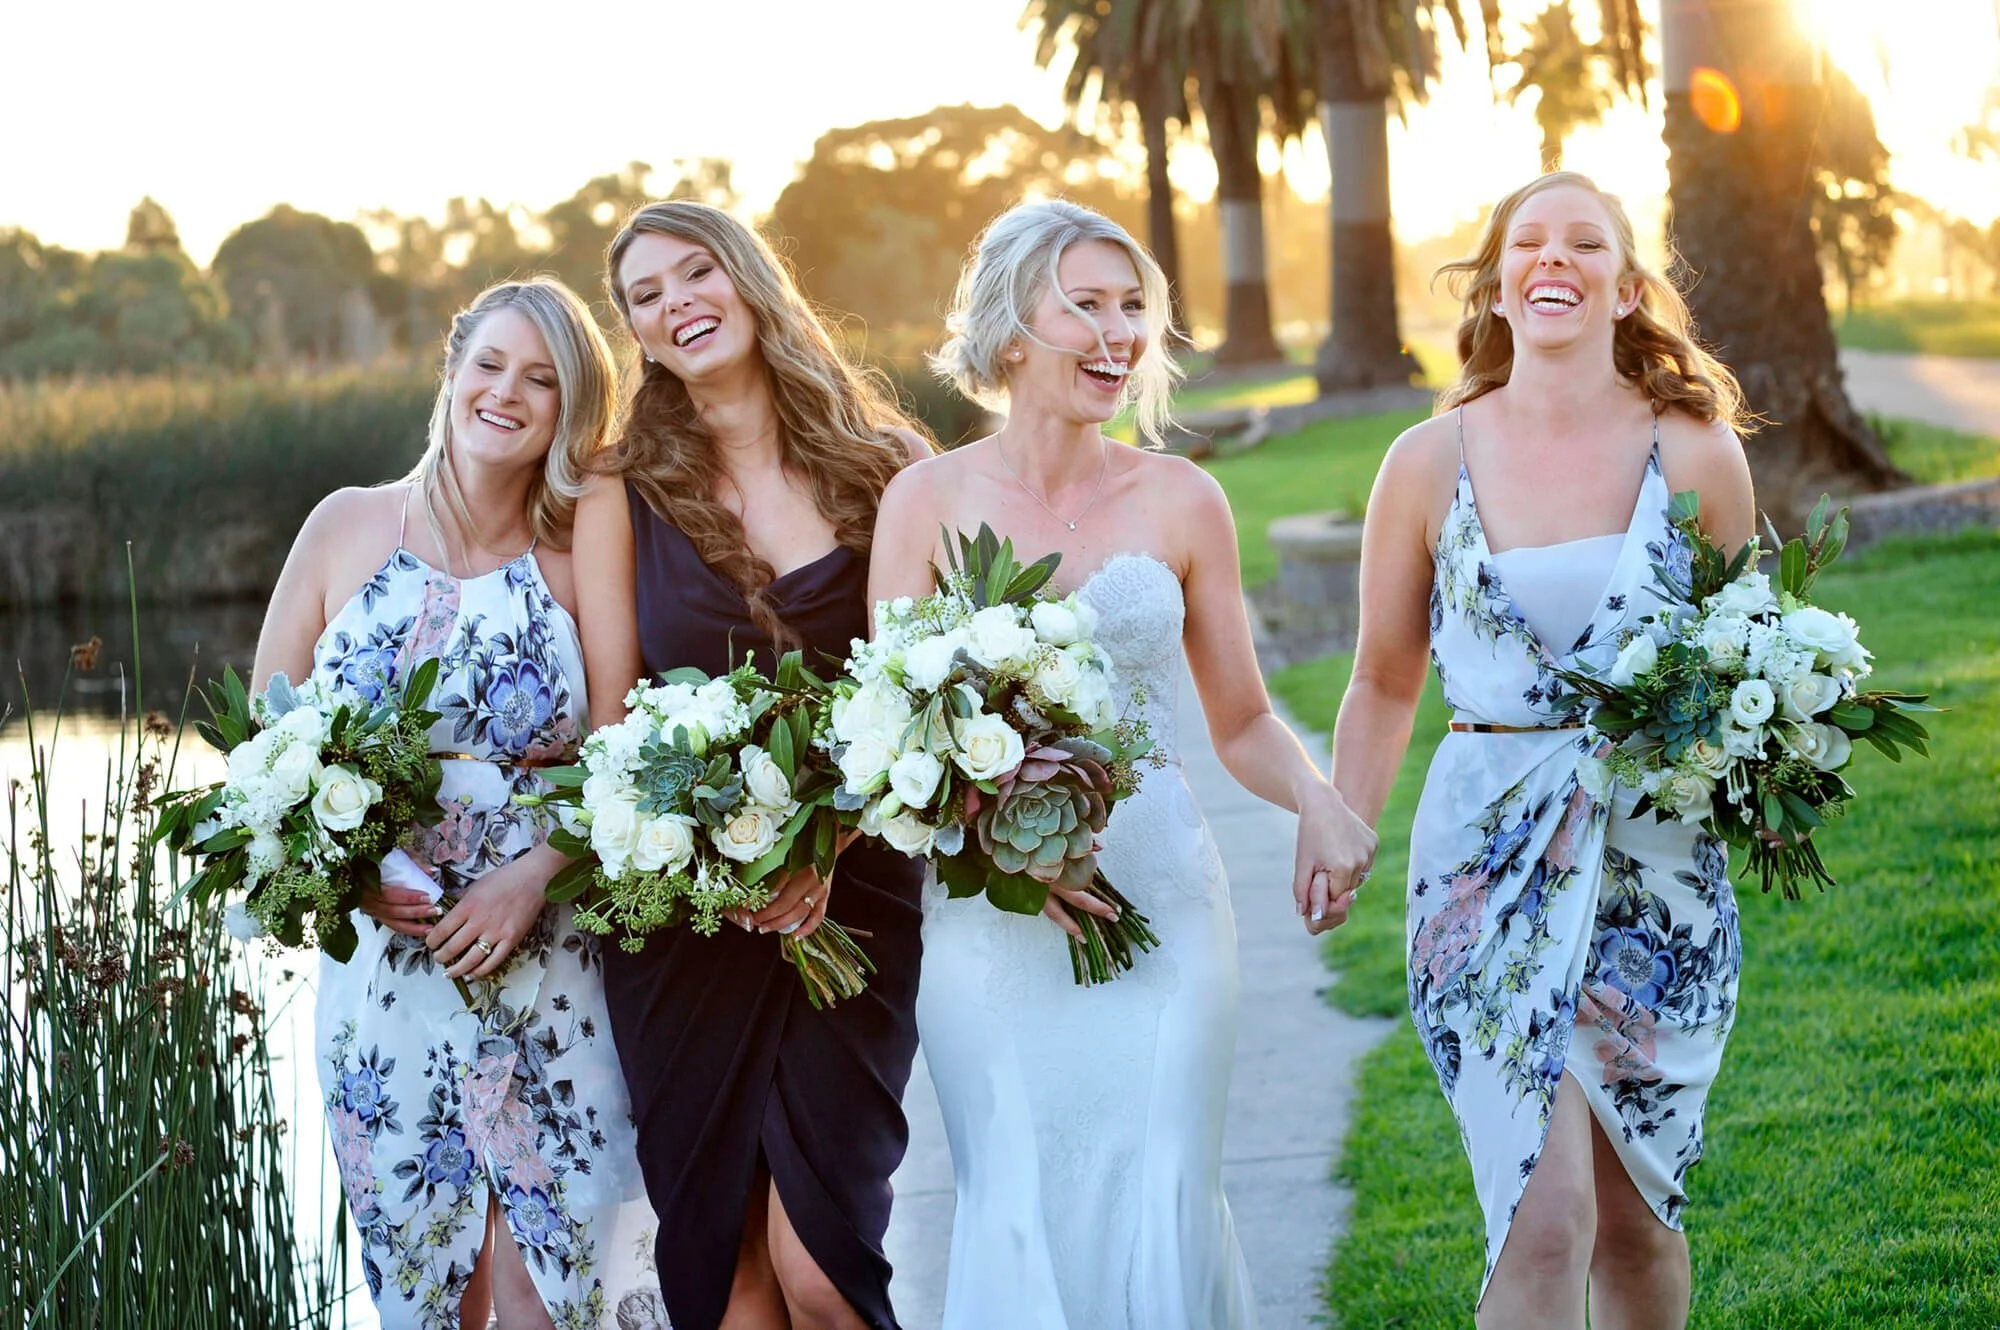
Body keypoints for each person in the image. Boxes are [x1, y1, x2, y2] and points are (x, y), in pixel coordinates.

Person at [865, 198, 1374, 1330]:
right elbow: (893, 739)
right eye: (1084, 305)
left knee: (1161, 1191)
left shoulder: (1182, 498)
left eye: (1133, 306)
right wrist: (1003, 850)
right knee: (1021, 1198)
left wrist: (1317, 799)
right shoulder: (924, 504)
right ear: (1010, 331)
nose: (1117, 331)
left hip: (1161, 901)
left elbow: (1238, 719)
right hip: (992, 925)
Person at [1314, 171, 1756, 1329]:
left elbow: (1751, 660)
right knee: (1541, 1208)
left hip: (1652, 875)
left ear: (1624, 286)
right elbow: (1379, 678)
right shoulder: (1425, 460)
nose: (1551, 259)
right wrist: (1340, 821)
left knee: (1634, 1220)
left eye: (1583, 243)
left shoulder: (1696, 452)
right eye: (1527, 243)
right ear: (1501, 285)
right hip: (1483, 869)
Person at [252, 278, 663, 1329]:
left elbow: (621, 755)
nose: (508, 393)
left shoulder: (583, 534)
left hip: (558, 958)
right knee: (435, 1287)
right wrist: (362, 865)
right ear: (451, 368)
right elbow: (266, 733)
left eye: (542, 380)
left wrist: (537, 874)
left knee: (586, 1278)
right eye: (490, 364)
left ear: (569, 410)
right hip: (388, 974)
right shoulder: (343, 526)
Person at [572, 200, 933, 1330]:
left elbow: (923, 698)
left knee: (822, 1265)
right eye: (645, 294)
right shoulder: (615, 488)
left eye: (695, 273)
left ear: (748, 280)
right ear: (632, 328)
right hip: (686, 919)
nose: (677, 302)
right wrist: (716, 861)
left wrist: (824, 845)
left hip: (855, 900)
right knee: (724, 1266)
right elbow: (610, 724)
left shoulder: (888, 465)